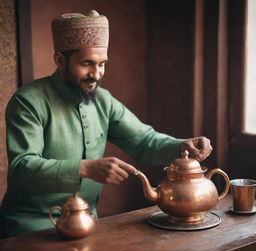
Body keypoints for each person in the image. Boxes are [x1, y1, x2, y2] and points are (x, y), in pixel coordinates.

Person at [0, 10, 212, 238]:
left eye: (102, 64)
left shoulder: (103, 99)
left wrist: (182, 146)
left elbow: (144, 141)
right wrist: (86, 168)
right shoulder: (28, 101)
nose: (96, 74)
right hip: (30, 227)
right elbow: (22, 167)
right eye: (87, 63)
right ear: (60, 60)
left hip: (88, 224)